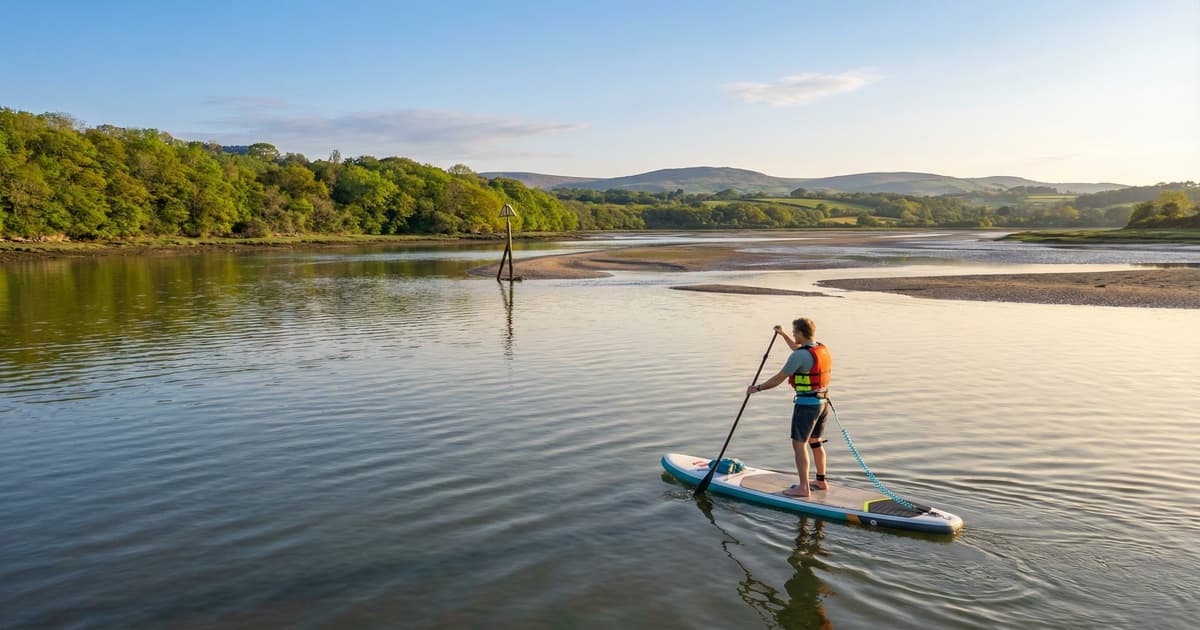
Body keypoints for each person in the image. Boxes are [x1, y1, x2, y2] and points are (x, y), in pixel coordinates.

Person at [746, 317, 832, 498]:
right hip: (823, 404)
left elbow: (778, 379)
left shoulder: (799, 356)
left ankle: (803, 488)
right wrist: (783, 334)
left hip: (807, 406)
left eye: (794, 333)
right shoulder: (820, 349)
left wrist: (757, 388)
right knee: (815, 441)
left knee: (798, 444)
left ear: (801, 333)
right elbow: (799, 349)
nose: (793, 335)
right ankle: (821, 481)